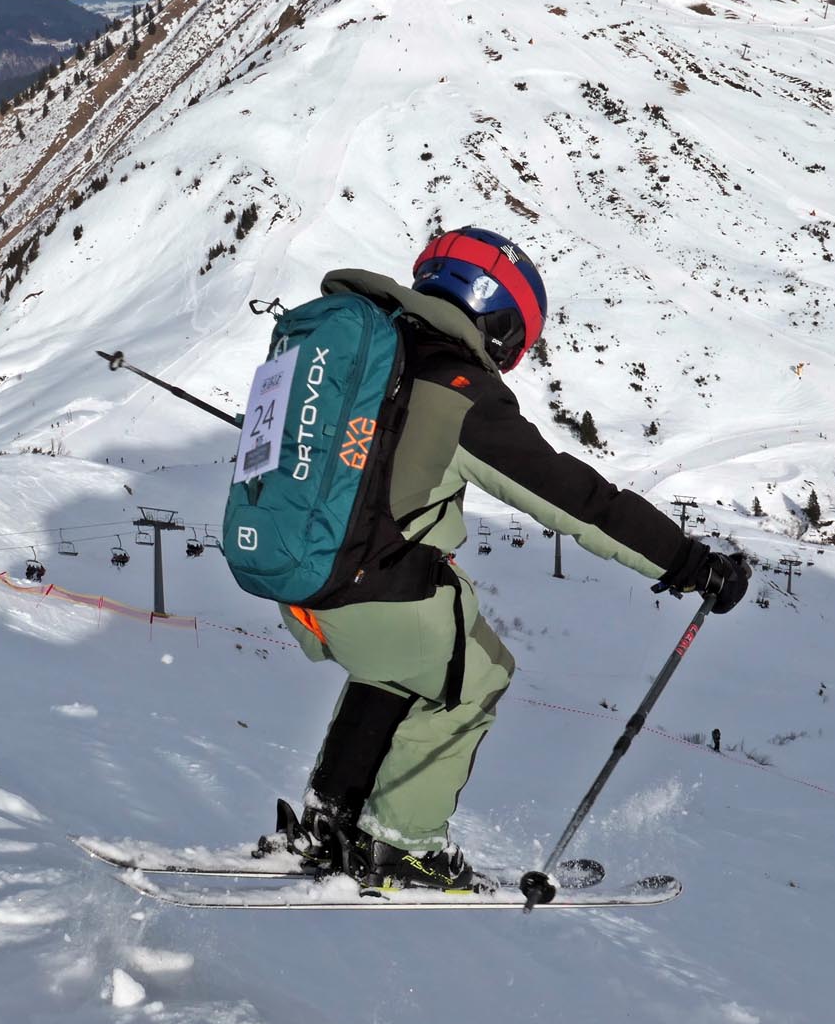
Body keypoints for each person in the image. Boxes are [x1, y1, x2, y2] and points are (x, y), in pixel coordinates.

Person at [273, 227, 749, 892]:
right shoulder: (455, 385)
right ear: (498, 322)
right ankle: (402, 846)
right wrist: (687, 562)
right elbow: (577, 500)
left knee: (401, 670)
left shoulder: (370, 360)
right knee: (478, 674)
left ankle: (331, 820)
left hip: (297, 578)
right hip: (370, 587)